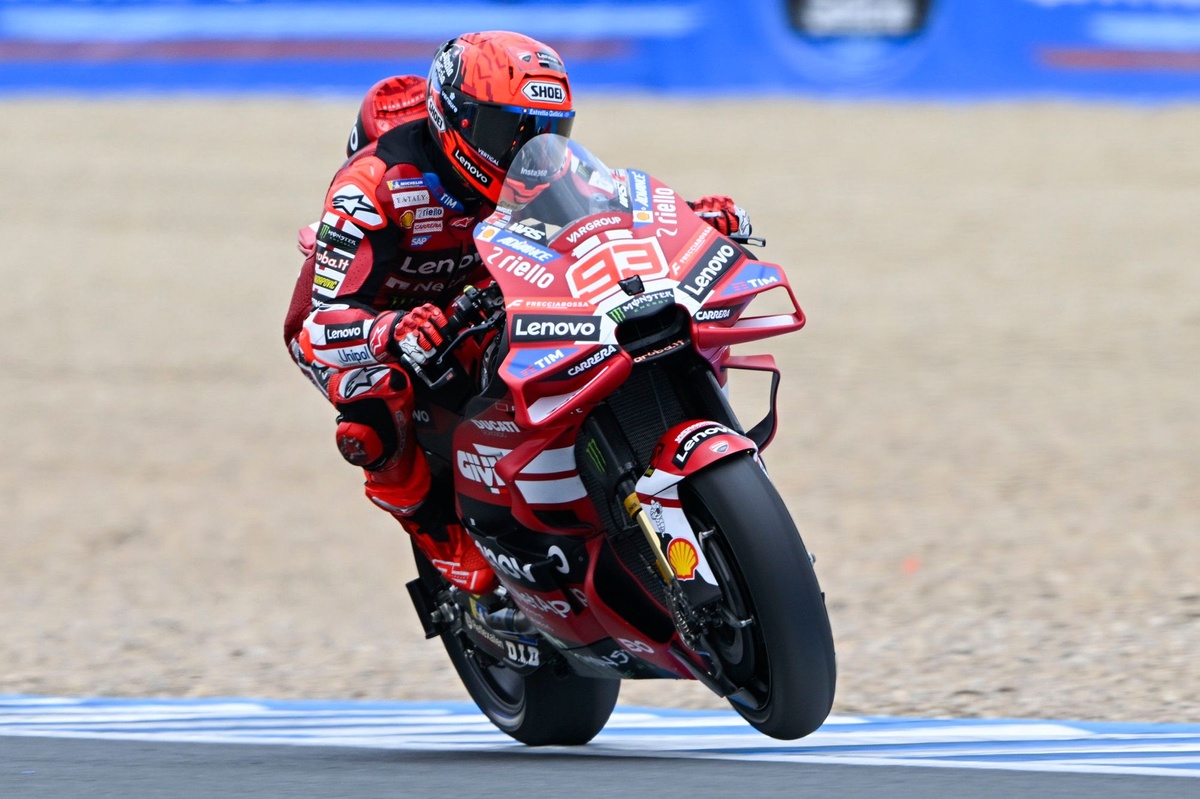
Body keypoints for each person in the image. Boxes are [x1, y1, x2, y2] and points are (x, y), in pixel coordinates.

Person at [283, 31, 753, 596]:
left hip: (479, 294)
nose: (523, 148)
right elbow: (318, 323)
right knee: (374, 399)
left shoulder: (540, 165)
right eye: (507, 130)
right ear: (453, 116)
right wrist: (390, 329)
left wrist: (690, 218)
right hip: (369, 321)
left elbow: (609, 214)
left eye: (545, 131)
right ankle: (434, 531)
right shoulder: (372, 186)